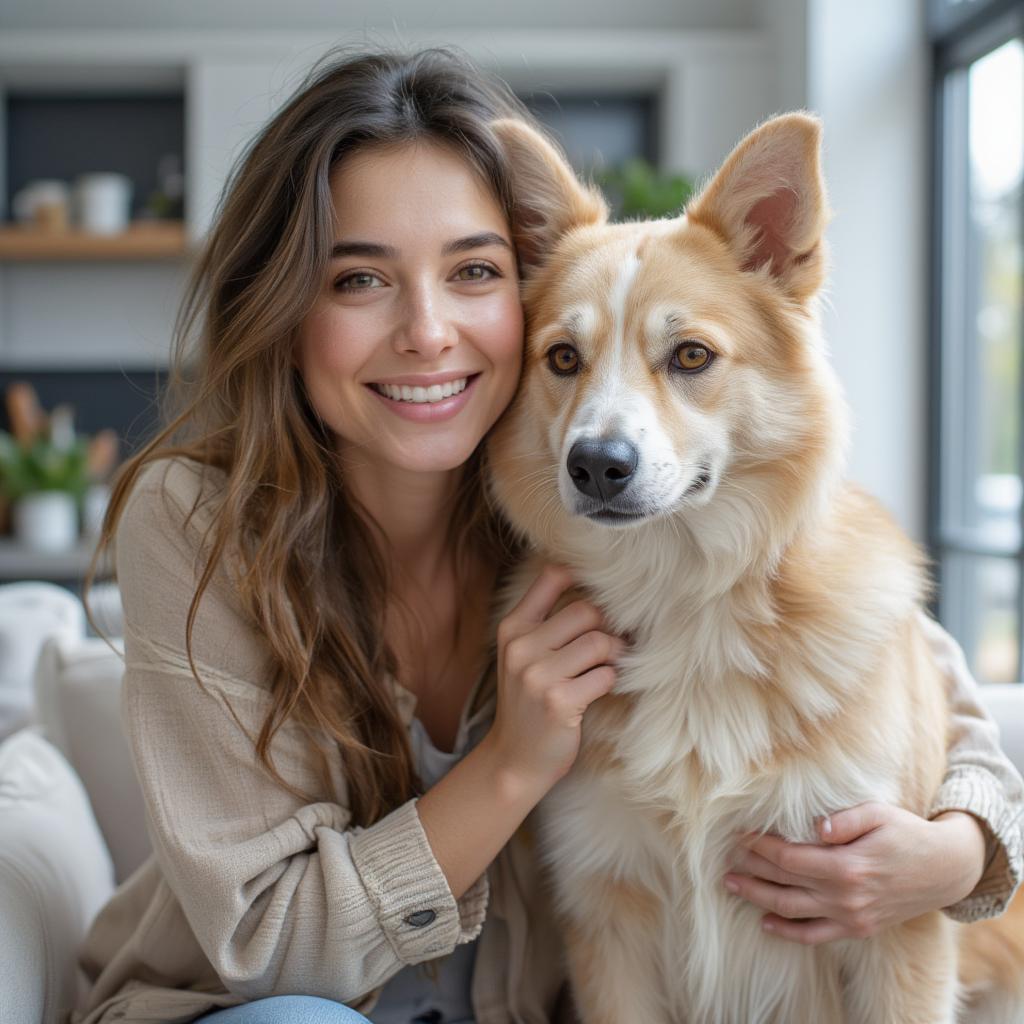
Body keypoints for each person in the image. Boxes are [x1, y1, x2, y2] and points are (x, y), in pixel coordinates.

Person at [74, 47, 1023, 1024]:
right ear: (284, 302)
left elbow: (928, 693)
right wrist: (513, 763)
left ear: (512, 287)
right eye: (360, 279)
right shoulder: (202, 520)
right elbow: (267, 958)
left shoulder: (570, 515)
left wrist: (952, 855)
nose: (428, 331)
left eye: (474, 270)